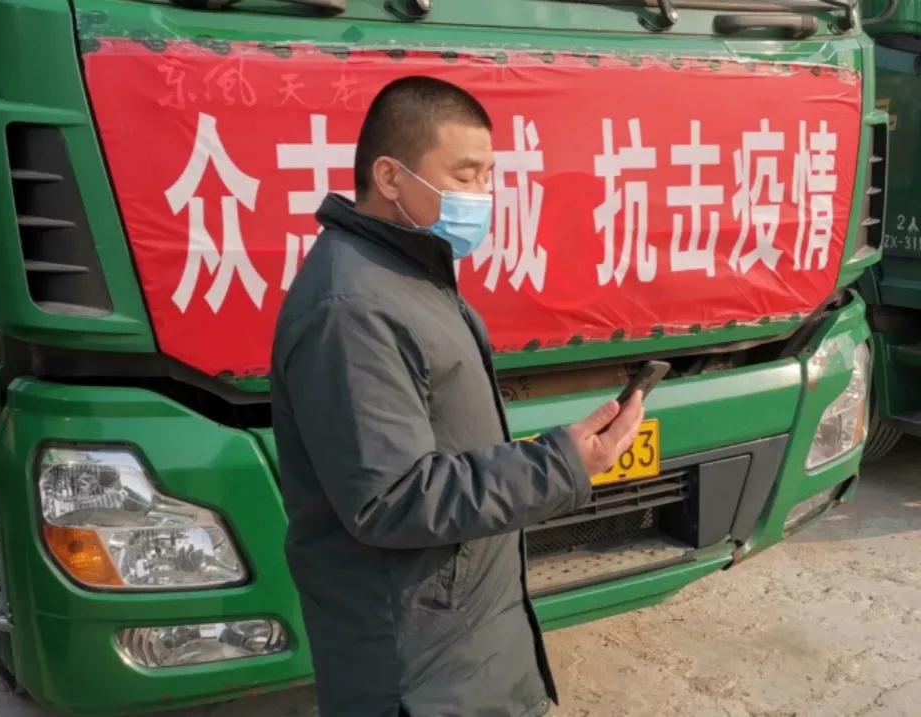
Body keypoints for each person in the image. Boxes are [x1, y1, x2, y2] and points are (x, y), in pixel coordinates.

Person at [270, 76, 645, 717]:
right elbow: (390, 498)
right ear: (391, 177)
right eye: (465, 175)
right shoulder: (351, 307)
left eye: (488, 175)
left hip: (462, 647)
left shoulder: (409, 273)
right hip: (416, 673)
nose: (482, 195)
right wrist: (560, 465)